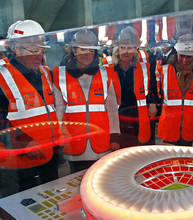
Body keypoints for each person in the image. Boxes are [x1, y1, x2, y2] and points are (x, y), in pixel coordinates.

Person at [0, 20, 62, 196]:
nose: (39, 56)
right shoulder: (2, 76)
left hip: (50, 154)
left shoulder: (45, 72)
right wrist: (25, 141)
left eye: (42, 50)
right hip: (19, 160)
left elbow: (49, 110)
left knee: (51, 200)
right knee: (24, 203)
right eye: (34, 51)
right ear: (16, 49)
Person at [52, 29, 120, 173]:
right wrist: (58, 137)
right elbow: (58, 110)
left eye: (91, 50)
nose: (87, 54)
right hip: (74, 142)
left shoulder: (105, 73)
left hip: (101, 142)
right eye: (82, 49)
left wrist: (114, 136)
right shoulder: (60, 75)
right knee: (75, 182)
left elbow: (112, 109)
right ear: (74, 51)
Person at [156, 34, 193, 146]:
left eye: (188, 57)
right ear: (176, 54)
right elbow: (156, 95)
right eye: (182, 56)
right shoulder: (163, 70)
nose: (184, 60)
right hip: (169, 127)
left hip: (189, 128)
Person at [111, 26, 154, 148]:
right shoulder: (108, 68)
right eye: (122, 48)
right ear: (117, 49)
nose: (125, 51)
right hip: (117, 117)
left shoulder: (143, 67)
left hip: (138, 116)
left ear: (135, 49)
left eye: (130, 48)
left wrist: (152, 103)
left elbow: (151, 86)